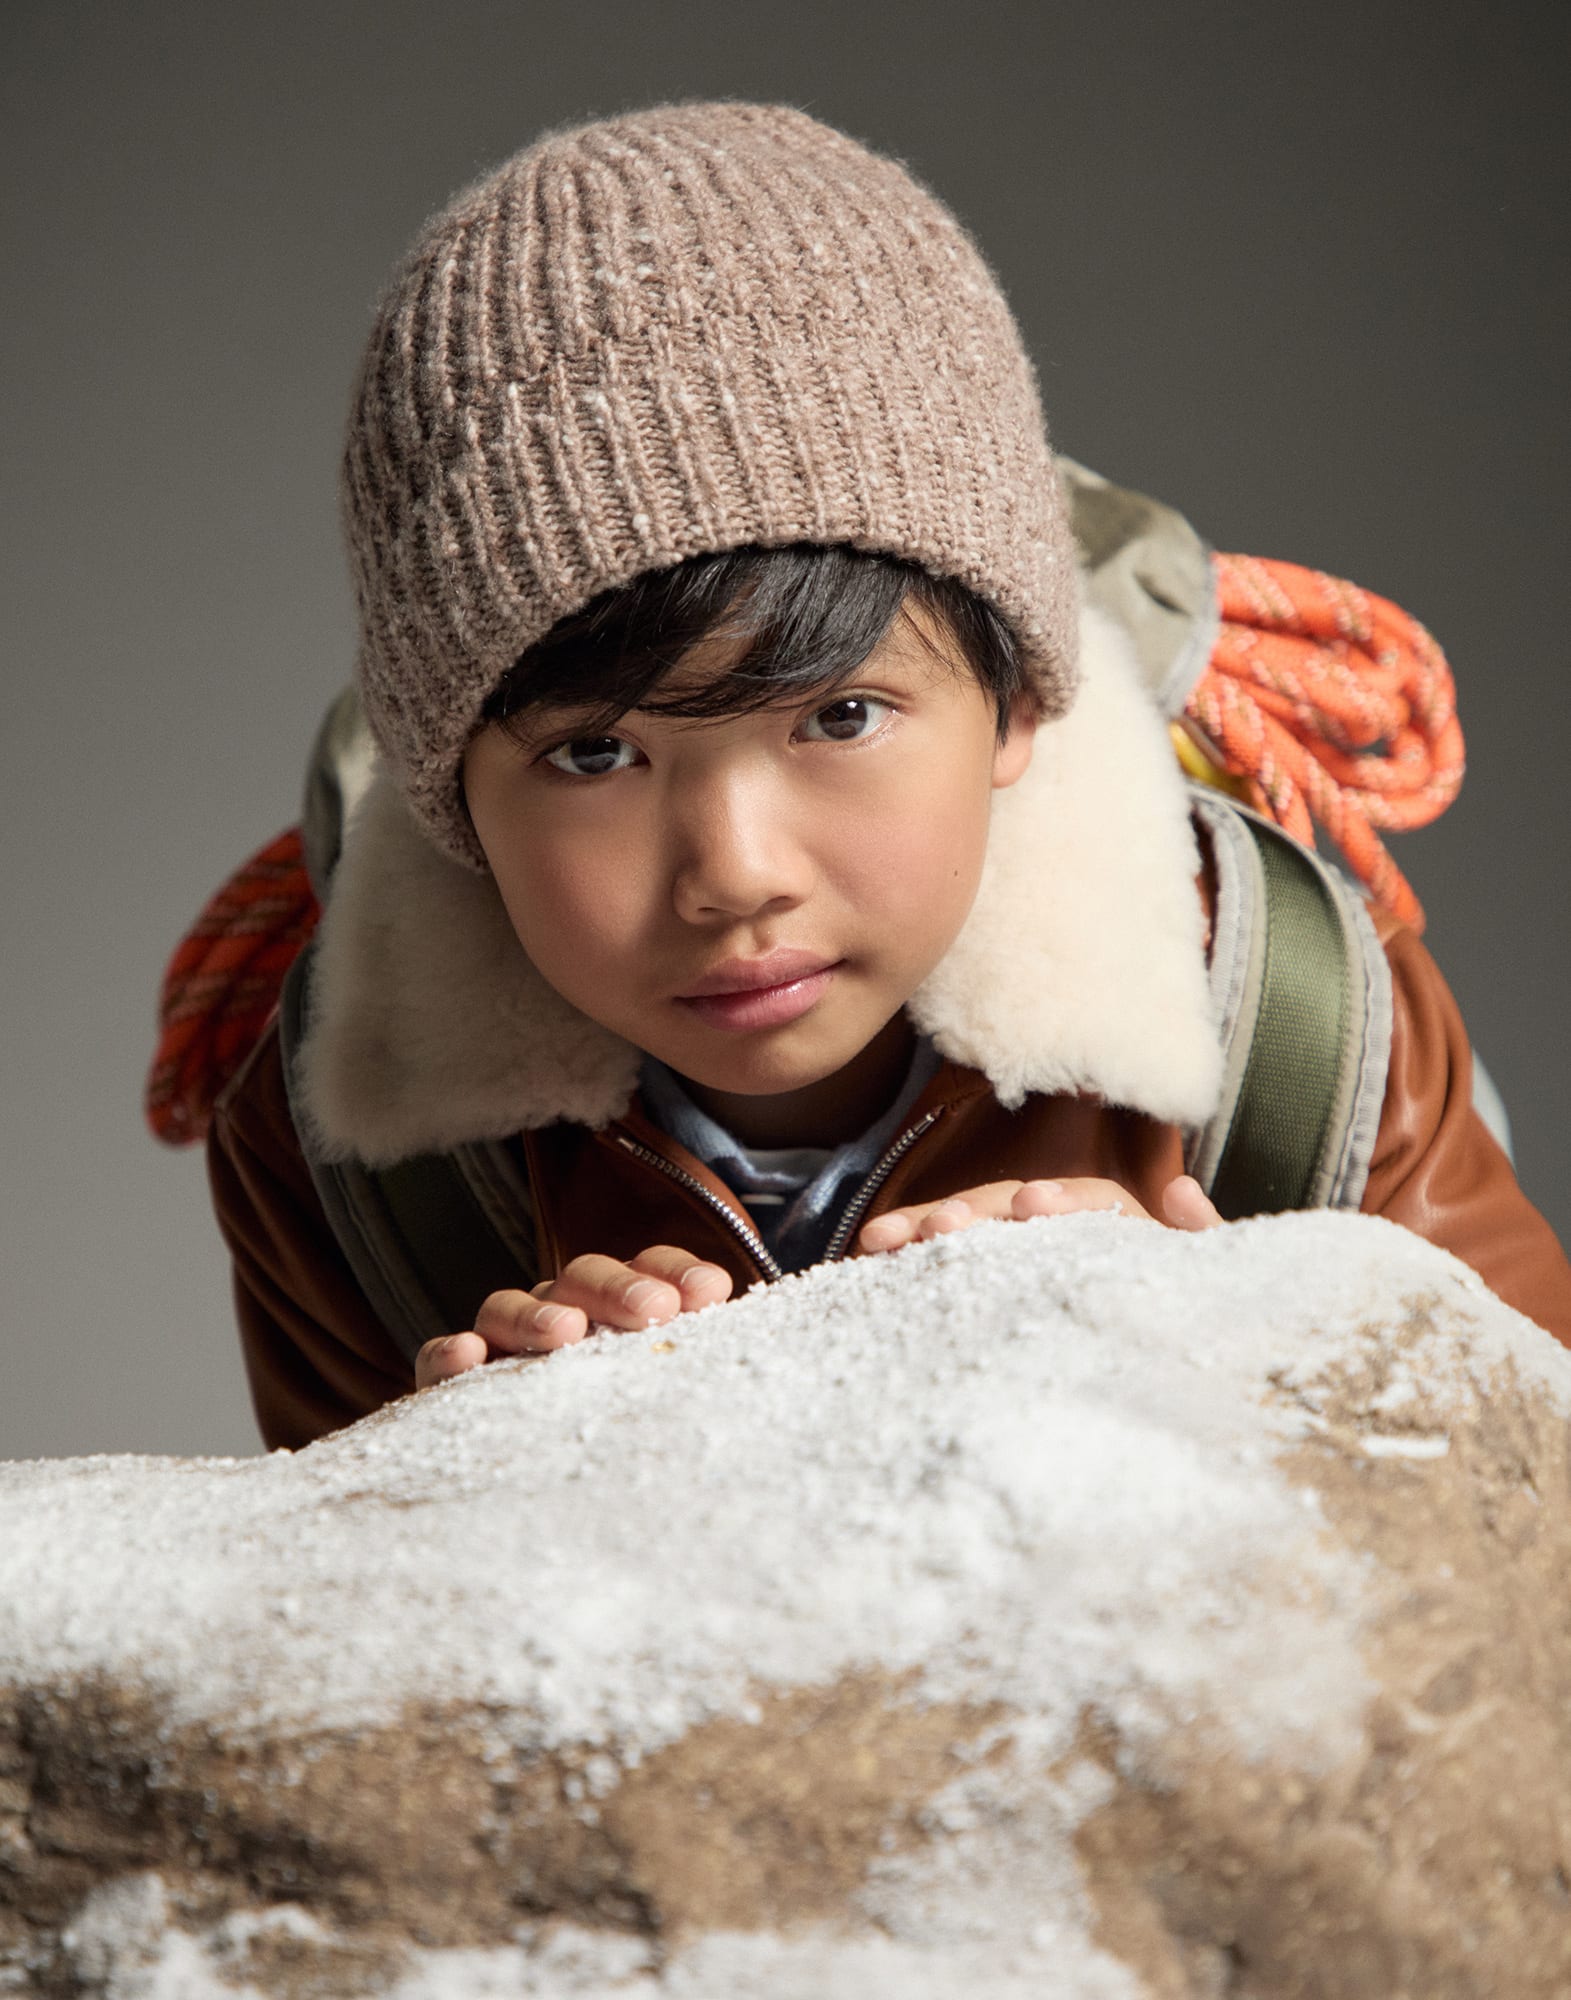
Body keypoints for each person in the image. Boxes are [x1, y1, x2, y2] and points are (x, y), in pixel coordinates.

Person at [203, 100, 1571, 1451]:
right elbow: (300, 1641)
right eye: (596, 753)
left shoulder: (1288, 1014)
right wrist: (441, 1495)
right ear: (457, 808)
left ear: (1018, 702)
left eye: (842, 717)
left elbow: (1538, 1506)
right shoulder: (362, 1155)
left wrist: (1267, 1369)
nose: (735, 873)